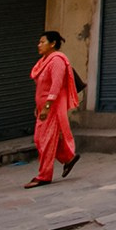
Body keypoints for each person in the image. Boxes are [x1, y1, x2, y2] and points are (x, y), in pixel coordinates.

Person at [28, 30, 80, 187]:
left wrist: (47, 107)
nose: (39, 45)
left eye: (42, 42)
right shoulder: (43, 61)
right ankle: (68, 158)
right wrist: (39, 107)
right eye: (39, 42)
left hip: (52, 108)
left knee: (43, 140)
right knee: (43, 139)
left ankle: (44, 175)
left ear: (53, 44)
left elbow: (56, 87)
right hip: (43, 108)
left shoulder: (57, 61)